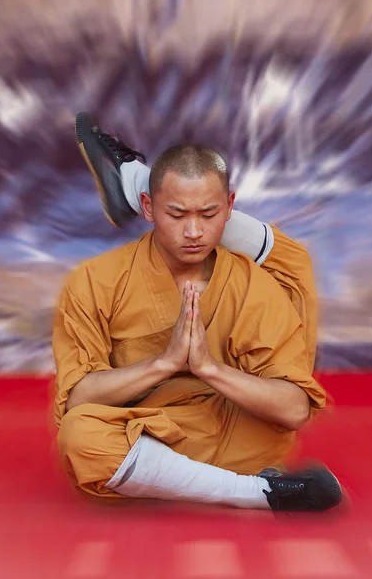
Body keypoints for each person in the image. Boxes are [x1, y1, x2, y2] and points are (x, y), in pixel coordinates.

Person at [51, 113, 342, 512]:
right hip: (148, 432)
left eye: (208, 215)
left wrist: (208, 368)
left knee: (293, 268)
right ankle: (260, 492)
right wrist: (165, 363)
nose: (193, 232)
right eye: (177, 215)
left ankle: (136, 180)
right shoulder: (94, 281)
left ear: (229, 207)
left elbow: (294, 409)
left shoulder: (252, 285)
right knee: (80, 436)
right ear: (150, 210)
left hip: (235, 432)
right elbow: (78, 399)